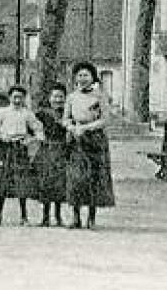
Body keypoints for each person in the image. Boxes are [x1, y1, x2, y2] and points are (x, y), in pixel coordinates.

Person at [0, 85, 41, 226]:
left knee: (21, 182)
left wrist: (29, 139)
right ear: (10, 97)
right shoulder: (2, 112)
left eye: (20, 97)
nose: (17, 100)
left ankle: (24, 216)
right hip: (4, 148)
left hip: (19, 149)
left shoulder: (27, 113)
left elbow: (38, 130)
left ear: (24, 98)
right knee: (2, 181)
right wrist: (2, 136)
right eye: (15, 97)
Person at [62, 62, 115, 225]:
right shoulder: (71, 97)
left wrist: (86, 128)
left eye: (86, 75)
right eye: (79, 75)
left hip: (95, 140)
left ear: (93, 77)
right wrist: (71, 127)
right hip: (76, 140)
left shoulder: (100, 96)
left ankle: (91, 217)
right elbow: (65, 118)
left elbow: (106, 120)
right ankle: (76, 216)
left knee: (94, 177)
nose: (83, 79)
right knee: (76, 178)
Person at [32, 84, 70, 228]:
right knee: (45, 183)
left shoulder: (68, 113)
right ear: (49, 98)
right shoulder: (42, 114)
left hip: (62, 151)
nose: (58, 99)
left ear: (65, 98)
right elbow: (31, 126)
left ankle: (58, 216)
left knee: (60, 184)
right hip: (46, 151)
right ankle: (45, 217)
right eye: (55, 96)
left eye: (61, 96)